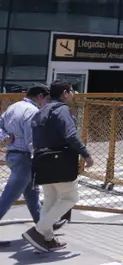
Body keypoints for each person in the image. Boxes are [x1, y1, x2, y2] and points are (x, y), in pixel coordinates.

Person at [22, 80, 93, 253]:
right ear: (65, 93)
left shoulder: (42, 110)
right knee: (70, 198)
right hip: (60, 162)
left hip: (43, 162)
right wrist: (86, 154)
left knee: (51, 200)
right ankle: (38, 231)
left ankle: (47, 240)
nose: (73, 94)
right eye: (72, 91)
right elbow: (71, 135)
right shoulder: (62, 110)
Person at [0, 85, 52, 246]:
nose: (46, 103)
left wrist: (4, 137)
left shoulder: (14, 107)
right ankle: (44, 229)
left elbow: (0, 125)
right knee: (8, 197)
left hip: (13, 155)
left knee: (32, 193)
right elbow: (32, 140)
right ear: (40, 96)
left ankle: (43, 227)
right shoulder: (32, 111)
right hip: (25, 158)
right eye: (46, 99)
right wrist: (41, 158)